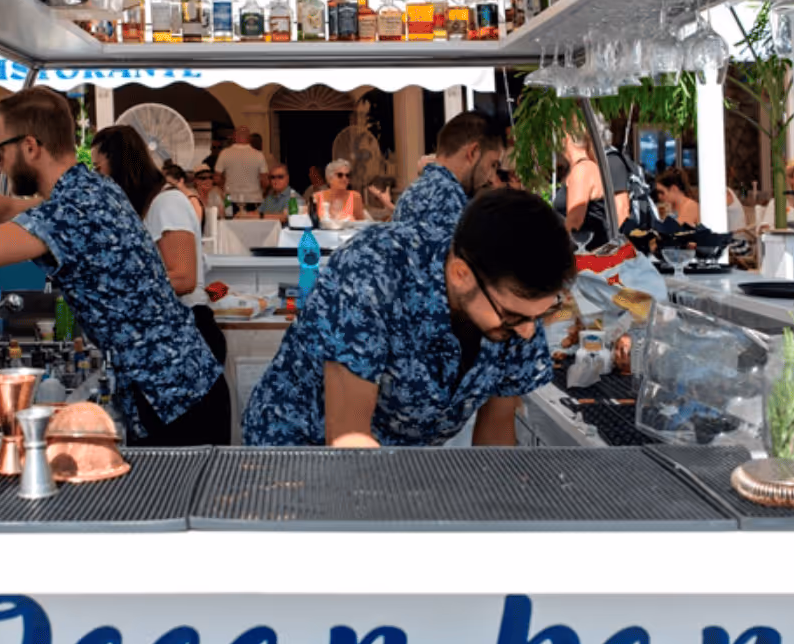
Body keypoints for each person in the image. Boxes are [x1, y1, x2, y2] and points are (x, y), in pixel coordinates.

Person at [0, 89, 228, 446]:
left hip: (171, 400)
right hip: (189, 385)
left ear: (30, 146)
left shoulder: (71, 213)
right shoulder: (95, 189)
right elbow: (6, 210)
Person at [243, 189, 574, 447]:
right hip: (297, 449)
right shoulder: (373, 271)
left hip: (399, 464)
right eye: (513, 317)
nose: (528, 332)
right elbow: (348, 438)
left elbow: (496, 434)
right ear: (461, 274)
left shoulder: (519, 304)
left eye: (540, 316)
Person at [93, 125, 225, 366]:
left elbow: (184, 278)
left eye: (99, 168)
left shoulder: (167, 203)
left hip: (190, 334)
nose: (99, 178)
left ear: (120, 165)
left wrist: (119, 286)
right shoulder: (148, 206)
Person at [391, 111, 504, 242]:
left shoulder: (411, 192)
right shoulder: (449, 199)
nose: (491, 178)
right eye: (492, 165)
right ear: (473, 152)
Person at [555, 126, 628, 248]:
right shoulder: (588, 167)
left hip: (586, 255)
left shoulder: (582, 170)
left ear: (566, 139)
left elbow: (574, 221)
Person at [214, 126, 268, 213]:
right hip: (254, 198)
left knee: (231, 225)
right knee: (254, 225)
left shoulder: (224, 153)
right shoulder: (259, 155)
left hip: (231, 198)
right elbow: (264, 181)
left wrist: (224, 188)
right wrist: (263, 191)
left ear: (234, 136)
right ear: (249, 138)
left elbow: (217, 178)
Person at [313, 159, 366, 224]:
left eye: (347, 175)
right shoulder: (317, 197)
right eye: (340, 175)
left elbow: (361, 223)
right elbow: (309, 222)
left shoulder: (355, 196)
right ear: (329, 178)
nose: (344, 178)